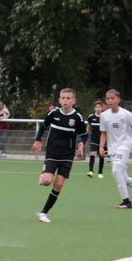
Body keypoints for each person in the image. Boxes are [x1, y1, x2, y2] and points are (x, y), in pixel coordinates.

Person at [32, 88, 87, 223]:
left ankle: (44, 212)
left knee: (59, 184)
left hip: (67, 155)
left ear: (74, 101)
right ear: (59, 100)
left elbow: (84, 134)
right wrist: (38, 140)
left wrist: (82, 144)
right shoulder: (53, 113)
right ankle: (43, 176)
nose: (65, 100)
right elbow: (43, 126)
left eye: (68, 98)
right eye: (63, 98)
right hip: (52, 153)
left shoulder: (77, 117)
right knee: (47, 181)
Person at [98, 88, 132, 209]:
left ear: (118, 99)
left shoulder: (126, 114)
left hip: (124, 145)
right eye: (108, 99)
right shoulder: (103, 116)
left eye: (112, 98)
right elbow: (103, 133)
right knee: (123, 178)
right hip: (112, 149)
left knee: (116, 171)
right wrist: (101, 146)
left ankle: (126, 202)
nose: (110, 100)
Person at [86, 99, 106, 178]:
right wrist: (86, 137)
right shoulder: (91, 117)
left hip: (103, 140)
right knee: (93, 153)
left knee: (101, 155)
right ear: (94, 108)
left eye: (99, 107)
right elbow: (89, 127)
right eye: (96, 107)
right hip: (94, 139)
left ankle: (100, 172)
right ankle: (90, 171)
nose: (98, 108)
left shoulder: (105, 117)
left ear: (102, 108)